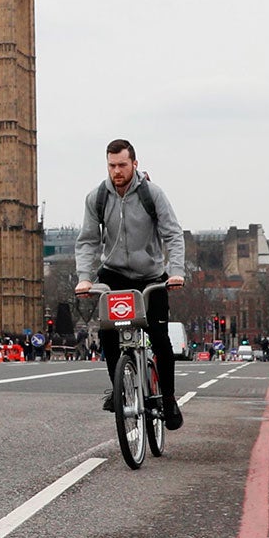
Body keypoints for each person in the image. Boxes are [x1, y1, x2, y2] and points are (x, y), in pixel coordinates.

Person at [74, 139, 186, 428]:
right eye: (112, 166)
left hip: (151, 274)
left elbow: (173, 234)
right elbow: (87, 240)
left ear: (134, 164)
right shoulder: (97, 198)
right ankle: (120, 388)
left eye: (122, 165)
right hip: (114, 274)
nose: (117, 171)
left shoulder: (152, 194)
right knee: (109, 334)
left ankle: (169, 398)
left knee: (160, 338)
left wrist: (175, 272)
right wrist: (85, 278)